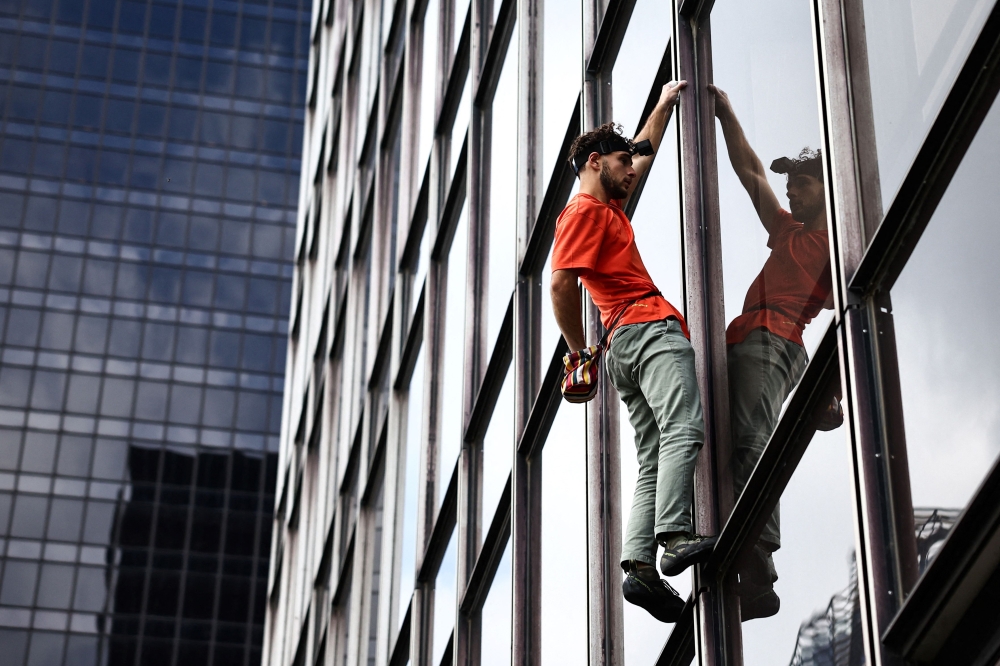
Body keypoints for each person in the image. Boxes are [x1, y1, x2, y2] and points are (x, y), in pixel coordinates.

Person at [550, 80, 716, 624]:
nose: (633, 170)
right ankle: (673, 535)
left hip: (623, 341)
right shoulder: (582, 213)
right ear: (596, 162)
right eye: (622, 163)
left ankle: (640, 566)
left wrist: (664, 105)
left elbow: (642, 148)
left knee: (652, 457)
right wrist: (578, 357)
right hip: (646, 330)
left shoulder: (607, 199)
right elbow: (559, 285)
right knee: (685, 426)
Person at [710, 85, 842, 621]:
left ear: (827, 190)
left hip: (776, 340)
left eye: (803, 186)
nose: (792, 194)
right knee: (732, 442)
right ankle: (745, 550)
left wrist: (829, 390)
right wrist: (724, 111)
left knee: (750, 441)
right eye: (791, 185)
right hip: (759, 342)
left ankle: (758, 566)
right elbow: (750, 173)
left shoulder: (835, 241)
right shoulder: (788, 232)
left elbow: (857, 301)